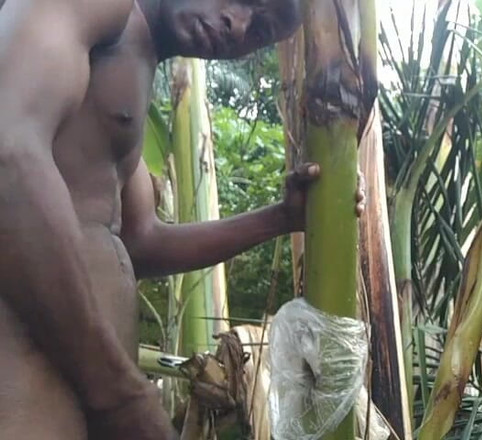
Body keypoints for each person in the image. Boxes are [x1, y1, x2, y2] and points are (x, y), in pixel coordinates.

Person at [0, 0, 362, 438]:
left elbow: (139, 241)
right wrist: (120, 396)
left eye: (260, 30)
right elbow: (10, 151)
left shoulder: (134, 63)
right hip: (28, 378)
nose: (239, 24)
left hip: (77, 391)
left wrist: (282, 218)